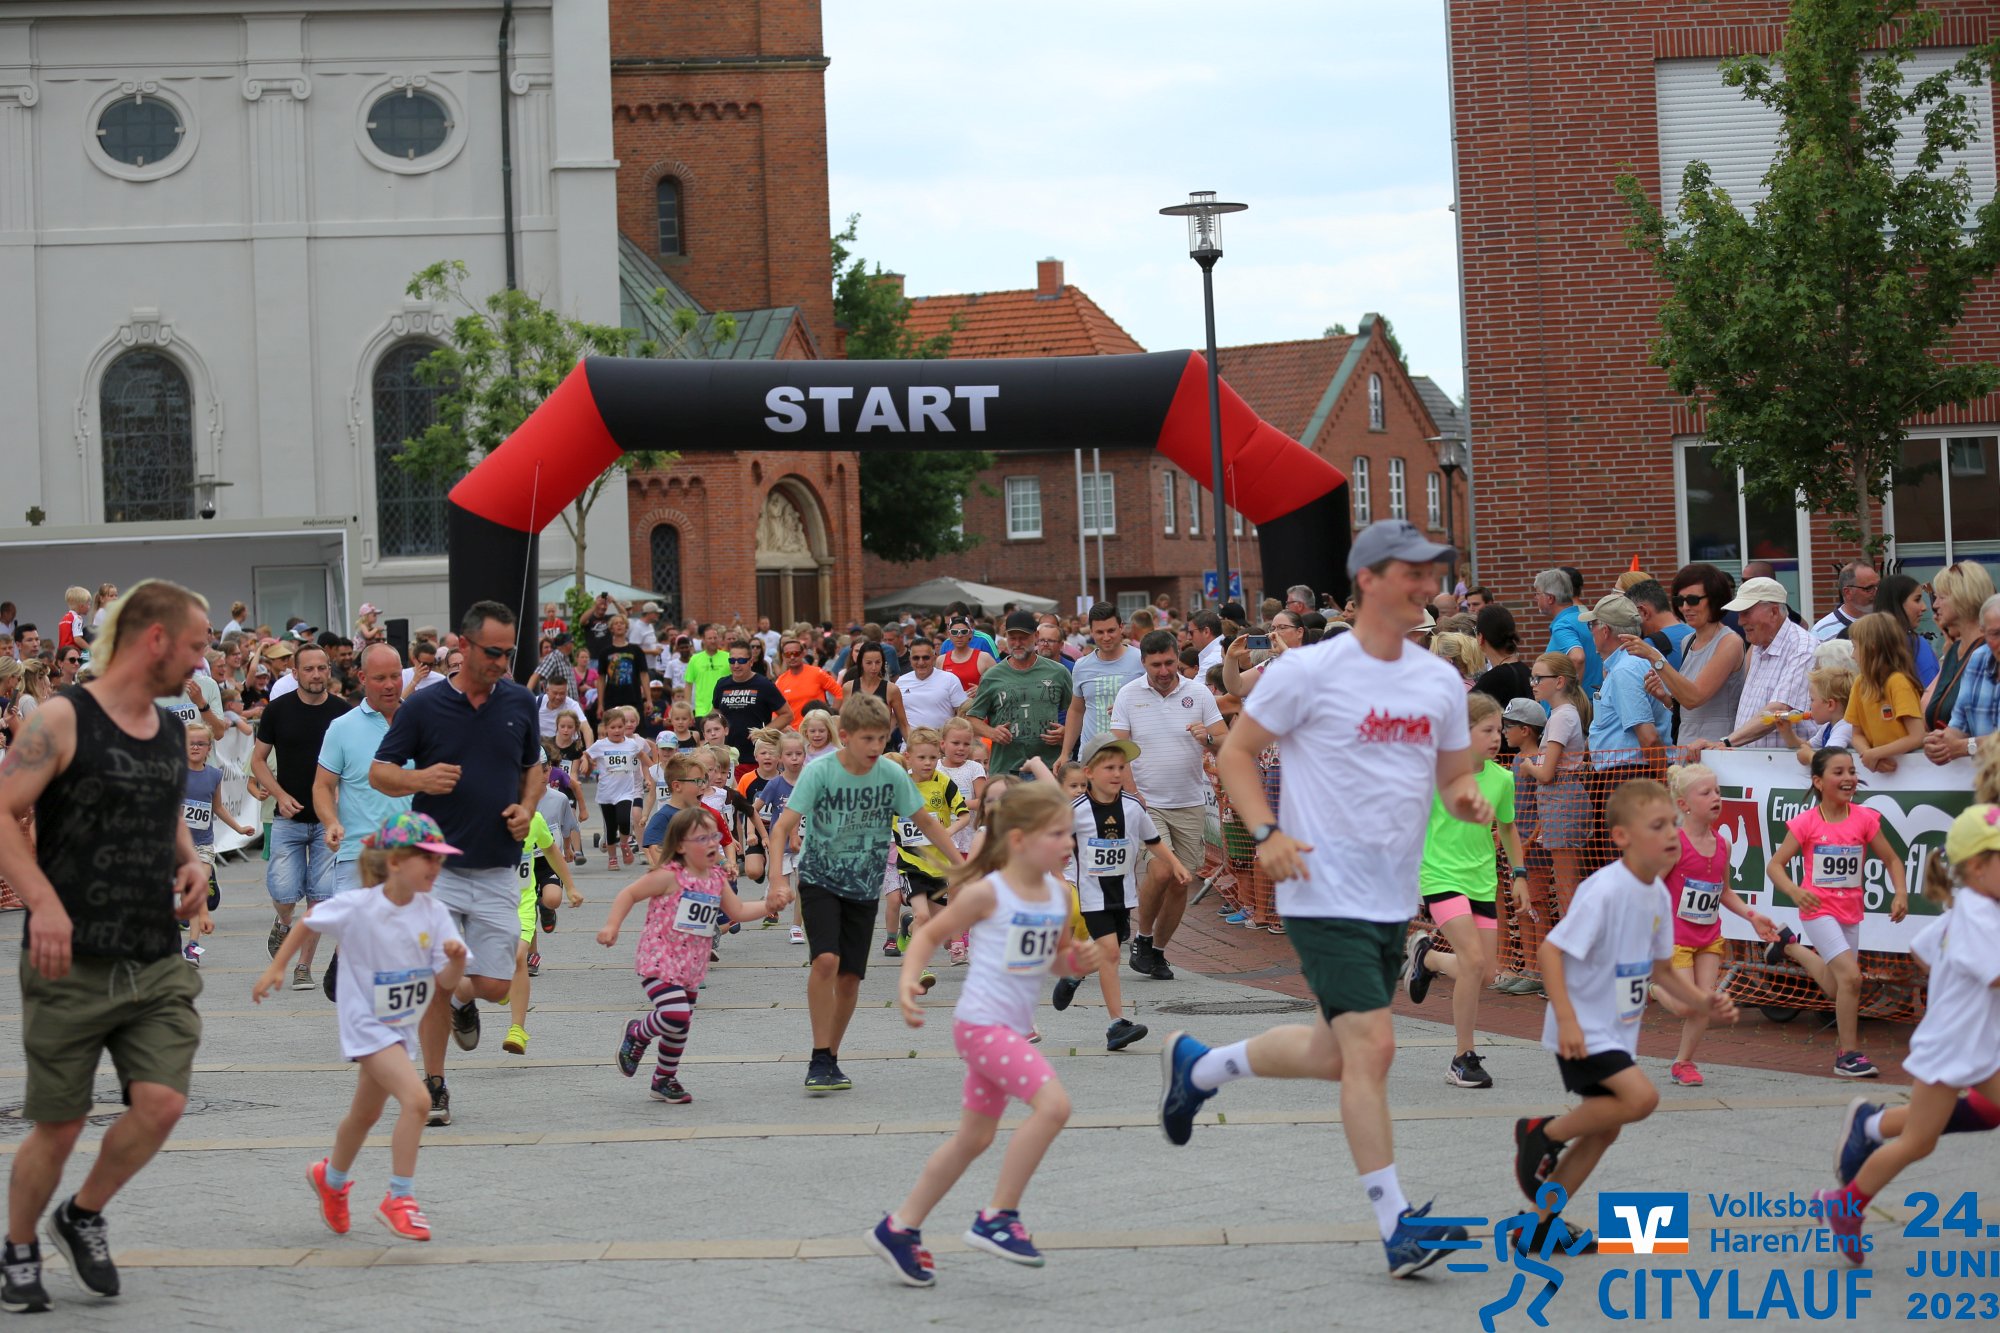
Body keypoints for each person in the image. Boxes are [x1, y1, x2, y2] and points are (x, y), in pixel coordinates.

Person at [1158, 518, 1486, 1278]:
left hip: (1391, 895)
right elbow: (1237, 754)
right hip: (1320, 889)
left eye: (1433, 573)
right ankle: (1397, 1224)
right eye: (1413, 572)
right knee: (1372, 1049)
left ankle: (1201, 1068)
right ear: (1368, 579)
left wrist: (1465, 798)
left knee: (1329, 1051)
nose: (1429, 585)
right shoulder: (1306, 671)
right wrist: (1266, 830)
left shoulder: (1439, 680)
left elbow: (1451, 779)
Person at [0, 580, 211, 1311]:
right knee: (59, 1125)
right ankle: (18, 1246)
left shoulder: (170, 727)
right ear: (154, 639)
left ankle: (81, 1214)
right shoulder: (64, 718)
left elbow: (164, 805)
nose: (201, 661)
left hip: (153, 954)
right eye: (194, 646)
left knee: (162, 1103)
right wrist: (43, 903)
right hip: (69, 959)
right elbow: (4, 810)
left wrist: (192, 859)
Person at [866, 781, 1098, 1286]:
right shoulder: (989, 892)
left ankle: (899, 1228)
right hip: (982, 1027)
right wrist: (907, 981)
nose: (1069, 843)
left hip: (1008, 1029)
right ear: (1018, 840)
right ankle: (999, 1217)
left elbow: (1054, 958)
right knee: (1054, 1107)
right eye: (1056, 833)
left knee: (974, 1138)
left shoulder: (1059, 895)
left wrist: (1078, 961)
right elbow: (929, 933)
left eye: (1070, 834)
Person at [1510, 780, 1737, 1257]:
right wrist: (1567, 1020)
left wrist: (1702, 1001)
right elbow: (1551, 951)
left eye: (1673, 823)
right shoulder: (1606, 890)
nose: (1671, 833)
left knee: (1605, 1129)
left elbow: (1661, 970)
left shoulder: (1656, 894)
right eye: (1657, 826)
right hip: (1583, 1028)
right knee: (1642, 1098)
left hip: (1616, 1031)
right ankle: (1541, 1133)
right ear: (1622, 837)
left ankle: (1538, 1226)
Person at [370, 600, 544, 1128]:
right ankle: (435, 1083)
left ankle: (465, 1002)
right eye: (492, 652)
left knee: (493, 985)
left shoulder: (519, 701)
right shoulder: (423, 707)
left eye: (508, 653)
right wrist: (419, 779)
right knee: (436, 981)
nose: (501, 662)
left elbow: (533, 769)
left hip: (497, 866)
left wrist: (527, 808)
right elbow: (380, 772)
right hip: (436, 871)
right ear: (464, 646)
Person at [256, 812, 468, 1243]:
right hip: (366, 1026)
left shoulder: (434, 913)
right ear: (395, 861)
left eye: (439, 858)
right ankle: (399, 1198)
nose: (436, 866)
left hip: (399, 1029)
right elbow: (309, 920)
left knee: (364, 1114)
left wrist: (457, 961)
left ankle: (330, 1179)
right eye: (426, 858)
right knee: (417, 1101)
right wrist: (278, 967)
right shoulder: (361, 906)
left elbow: (445, 983)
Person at [1815, 803, 2000, 1261]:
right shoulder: (1979, 914)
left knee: (1977, 1115)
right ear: (1978, 867)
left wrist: (1954, 986)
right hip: (1955, 1048)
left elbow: (1923, 950)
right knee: (1919, 1141)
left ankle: (1865, 1142)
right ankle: (1845, 1203)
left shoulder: (1972, 907)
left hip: (1972, 1041)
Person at [766, 694, 961, 1094]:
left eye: (881, 739)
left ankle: (831, 1056)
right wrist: (777, 881)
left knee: (850, 977)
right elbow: (782, 827)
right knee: (826, 960)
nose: (875, 747)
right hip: (820, 878)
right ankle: (819, 1054)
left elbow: (926, 822)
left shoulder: (891, 775)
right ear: (846, 735)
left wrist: (962, 865)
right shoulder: (820, 772)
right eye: (867, 739)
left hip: (864, 885)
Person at [599, 806, 788, 1103]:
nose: (712, 843)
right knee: (675, 1014)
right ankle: (637, 1032)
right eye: (702, 839)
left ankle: (664, 1079)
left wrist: (768, 906)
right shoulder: (668, 875)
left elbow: (738, 910)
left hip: (691, 966)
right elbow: (629, 894)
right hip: (659, 960)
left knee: (680, 1024)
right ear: (680, 846)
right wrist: (612, 926)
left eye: (714, 836)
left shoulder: (716, 879)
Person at [1761, 746, 1910, 1078]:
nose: (1849, 778)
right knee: (1852, 978)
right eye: (1838, 772)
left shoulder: (1865, 818)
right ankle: (1848, 1054)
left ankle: (1788, 946)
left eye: (1852, 771)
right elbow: (1775, 866)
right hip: (1817, 910)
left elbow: (1892, 859)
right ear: (1818, 781)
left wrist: (1900, 892)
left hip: (1850, 911)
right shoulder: (1806, 822)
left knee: (1836, 987)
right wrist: (1795, 891)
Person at [1405, 693, 1528, 1089]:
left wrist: (1520, 874)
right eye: (1487, 730)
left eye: (1500, 730)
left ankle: (1428, 959)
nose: (1497, 738)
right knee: (1472, 960)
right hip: (1439, 876)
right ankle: (1463, 1058)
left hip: (1482, 881)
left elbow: (1507, 827)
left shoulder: (1503, 778)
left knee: (1486, 973)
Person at [1111, 629, 1226, 977]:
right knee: (1162, 870)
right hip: (1148, 803)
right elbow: (1118, 751)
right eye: (1156, 664)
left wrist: (1208, 737)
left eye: (1169, 663)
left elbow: (1224, 738)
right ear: (1144, 663)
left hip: (1189, 801)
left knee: (1180, 881)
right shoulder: (1129, 694)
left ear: (1178, 658)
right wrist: (1133, 793)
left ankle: (1157, 951)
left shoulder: (1198, 692)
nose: (1164, 671)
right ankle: (1143, 937)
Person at [1654, 763, 1775, 1087]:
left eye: (1718, 791)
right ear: (1684, 804)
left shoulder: (1723, 844)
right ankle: (1654, 985)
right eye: (1705, 793)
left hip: (1708, 937)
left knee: (1703, 1002)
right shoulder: (1674, 844)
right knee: (1684, 1005)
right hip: (1675, 937)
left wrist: (1753, 916)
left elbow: (1724, 891)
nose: (1715, 797)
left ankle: (1684, 1062)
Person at [1056, 733, 1170, 1051]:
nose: (1118, 773)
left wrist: (1175, 865)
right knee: (1111, 953)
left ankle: (1074, 974)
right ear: (1090, 773)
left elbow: (1152, 840)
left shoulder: (1131, 807)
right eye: (1110, 767)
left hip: (1122, 893)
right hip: (1088, 893)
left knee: (1110, 951)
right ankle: (1116, 1024)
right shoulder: (1075, 811)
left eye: (1122, 767)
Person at [252, 643, 351, 989]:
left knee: (320, 896)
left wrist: (341, 792)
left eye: (322, 668)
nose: (316, 675)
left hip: (328, 822)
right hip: (288, 818)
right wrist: (279, 795)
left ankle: (303, 967)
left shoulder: (343, 713)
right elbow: (257, 761)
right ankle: (283, 923)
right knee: (283, 891)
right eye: (308, 669)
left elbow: (353, 762)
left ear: (329, 671)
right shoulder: (278, 710)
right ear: (294, 673)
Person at [316, 643, 413, 899]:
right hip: (358, 857)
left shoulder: (422, 721)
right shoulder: (341, 727)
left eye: (395, 676)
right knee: (355, 927)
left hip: (413, 854)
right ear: (362, 677)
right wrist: (331, 822)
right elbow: (323, 786)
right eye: (380, 678)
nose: (390, 685)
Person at [1619, 563, 1743, 746]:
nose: (1685, 607)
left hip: (1716, 748)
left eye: (1693, 600)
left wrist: (1654, 657)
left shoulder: (1729, 642)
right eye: (1679, 601)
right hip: (1687, 747)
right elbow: (1689, 709)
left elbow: (1695, 698)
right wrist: (1666, 698)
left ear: (1715, 599)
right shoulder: (1688, 641)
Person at [1703, 576, 1816, 751]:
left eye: (1746, 613)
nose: (1740, 621)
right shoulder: (1759, 643)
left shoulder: (1803, 648)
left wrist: (1726, 742)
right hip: (1758, 760)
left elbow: (1779, 710)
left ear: (1774, 612)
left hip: (1788, 762)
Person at [962, 610, 1073, 779]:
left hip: (1049, 766)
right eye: (1012, 638)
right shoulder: (992, 676)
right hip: (1007, 769)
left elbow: (1076, 711)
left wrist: (1066, 732)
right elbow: (972, 718)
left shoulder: (1058, 672)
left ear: (1036, 636)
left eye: (1023, 638)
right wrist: (992, 733)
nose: (1017, 643)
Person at [1580, 595, 1670, 771]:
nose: (1591, 632)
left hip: (1630, 774)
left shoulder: (1625, 669)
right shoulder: (1640, 659)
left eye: (1592, 625)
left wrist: (1664, 781)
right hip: (1631, 772)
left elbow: (1649, 739)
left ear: (1605, 631)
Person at [1843, 612, 1925, 773]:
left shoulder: (1898, 682)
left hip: (1911, 770)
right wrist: (1869, 755)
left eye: (1855, 647)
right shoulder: (1860, 683)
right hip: (1881, 770)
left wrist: (1876, 754)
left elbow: (1917, 736)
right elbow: (1857, 735)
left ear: (1872, 647)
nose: (1852, 655)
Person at [1922, 562, 1998, 734]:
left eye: (1941, 597)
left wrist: (1960, 744)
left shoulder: (1990, 653)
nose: (1935, 605)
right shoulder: (1953, 651)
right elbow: (1928, 711)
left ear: (1964, 598)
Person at [1924, 593, 2000, 765]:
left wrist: (1965, 746)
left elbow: (1961, 743)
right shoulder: (1978, 658)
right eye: (1995, 634)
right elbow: (1959, 723)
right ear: (1983, 633)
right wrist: (1939, 743)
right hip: (1986, 778)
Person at [583, 708, 647, 869]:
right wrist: (585, 763)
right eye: (612, 727)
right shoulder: (600, 745)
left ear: (624, 726)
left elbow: (643, 757)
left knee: (624, 821)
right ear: (606, 728)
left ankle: (624, 844)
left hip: (625, 792)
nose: (617, 730)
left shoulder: (631, 744)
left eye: (620, 727)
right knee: (611, 828)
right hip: (606, 794)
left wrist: (655, 771)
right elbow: (586, 754)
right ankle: (612, 858)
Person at [712, 640, 793, 766]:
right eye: (732, 661)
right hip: (727, 755)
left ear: (751, 662)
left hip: (755, 755)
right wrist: (713, 728)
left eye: (741, 661)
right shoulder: (722, 684)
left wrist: (764, 732)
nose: (736, 665)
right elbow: (716, 711)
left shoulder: (763, 684)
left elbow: (787, 714)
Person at [1535, 569, 1601, 694]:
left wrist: (1570, 697)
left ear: (1550, 598)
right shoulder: (1583, 619)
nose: (1536, 598)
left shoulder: (1563, 625)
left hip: (1577, 703)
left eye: (1538, 593)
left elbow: (1577, 658)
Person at [1870, 573, 1939, 689]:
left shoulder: (1866, 645)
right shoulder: (1916, 645)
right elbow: (1932, 691)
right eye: (1917, 600)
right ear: (1896, 603)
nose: (1924, 607)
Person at [897, 637, 968, 739]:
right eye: (916, 658)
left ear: (934, 658)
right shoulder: (901, 682)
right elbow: (895, 717)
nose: (921, 662)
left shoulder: (950, 679)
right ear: (910, 659)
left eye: (926, 658)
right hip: (910, 744)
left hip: (941, 743)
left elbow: (962, 714)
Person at [842, 642, 908, 752]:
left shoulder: (891, 690)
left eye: (878, 662)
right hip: (855, 749)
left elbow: (903, 724)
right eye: (869, 663)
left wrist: (914, 748)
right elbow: (845, 722)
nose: (874, 667)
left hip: (882, 748)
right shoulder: (849, 687)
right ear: (861, 663)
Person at [773, 636, 844, 720]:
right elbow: (775, 710)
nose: (792, 657)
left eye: (796, 653)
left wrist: (832, 715)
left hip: (817, 726)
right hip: (792, 728)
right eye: (788, 654)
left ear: (803, 654)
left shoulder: (817, 673)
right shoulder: (780, 681)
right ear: (783, 656)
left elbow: (839, 693)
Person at [1813, 562, 1880, 642]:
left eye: (1878, 586)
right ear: (1848, 592)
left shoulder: (1886, 622)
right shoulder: (1821, 632)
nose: (1876, 592)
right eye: (1869, 588)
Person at [683, 624, 731, 718]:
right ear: (703, 640)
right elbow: (688, 684)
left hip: (724, 710)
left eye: (715, 638)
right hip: (701, 711)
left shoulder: (728, 657)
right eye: (709, 638)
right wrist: (688, 708)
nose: (713, 641)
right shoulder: (694, 659)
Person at [937, 617, 994, 695]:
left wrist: (983, 689)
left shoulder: (984, 658)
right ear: (949, 634)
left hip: (976, 702)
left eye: (964, 632)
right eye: (954, 632)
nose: (959, 635)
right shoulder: (941, 660)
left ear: (970, 634)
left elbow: (1000, 681)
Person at [535, 675, 593, 746]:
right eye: (555, 693)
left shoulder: (572, 705)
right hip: (541, 746)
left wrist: (589, 751)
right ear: (547, 691)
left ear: (566, 692)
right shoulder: (536, 702)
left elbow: (586, 729)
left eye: (562, 693)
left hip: (567, 746)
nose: (558, 697)